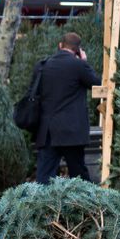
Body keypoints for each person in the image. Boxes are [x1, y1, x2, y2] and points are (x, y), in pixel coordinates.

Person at [35, 32, 102, 184]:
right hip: (72, 132)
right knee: (78, 176)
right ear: (78, 50)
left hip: (47, 132)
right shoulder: (78, 65)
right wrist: (84, 62)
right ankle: (82, 206)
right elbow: (97, 84)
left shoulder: (42, 65)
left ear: (60, 45)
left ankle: (43, 206)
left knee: (44, 177)